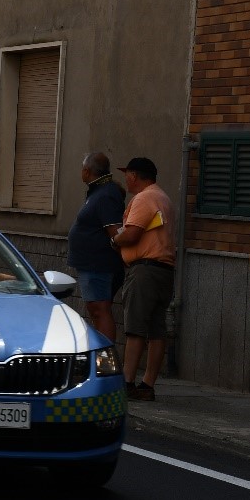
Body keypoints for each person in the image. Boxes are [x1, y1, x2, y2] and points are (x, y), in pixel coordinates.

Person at [107, 157, 175, 401]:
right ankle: (147, 385)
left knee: (135, 328)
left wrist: (115, 240)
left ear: (135, 175)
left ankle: (126, 383)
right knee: (157, 329)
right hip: (164, 269)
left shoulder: (144, 198)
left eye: (128, 173)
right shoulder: (163, 197)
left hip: (144, 269)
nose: (126, 178)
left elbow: (133, 233)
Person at [67, 152, 126, 341]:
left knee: (100, 309)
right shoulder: (98, 192)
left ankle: (105, 357)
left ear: (86, 171)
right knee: (96, 309)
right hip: (92, 264)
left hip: (98, 264)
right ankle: (101, 353)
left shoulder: (106, 194)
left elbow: (116, 233)